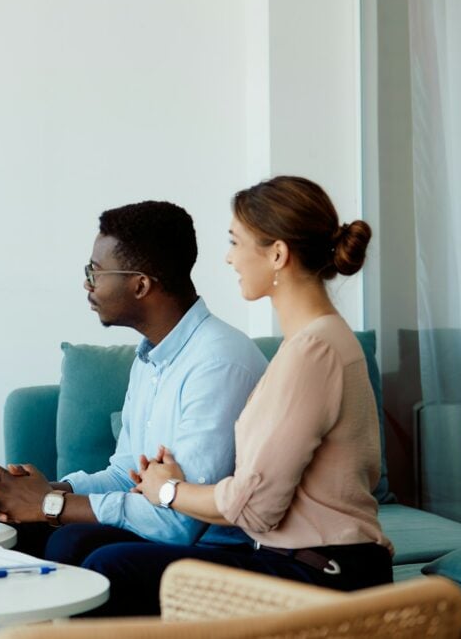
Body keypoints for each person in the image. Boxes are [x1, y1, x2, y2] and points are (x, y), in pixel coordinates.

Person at [83, 176, 393, 616]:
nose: (229, 258)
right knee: (96, 552)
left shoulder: (313, 351)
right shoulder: (312, 343)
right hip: (301, 560)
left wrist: (168, 490)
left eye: (236, 242)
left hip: (322, 572)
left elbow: (256, 508)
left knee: (115, 566)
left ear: (278, 254)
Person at [0, 201, 267, 567]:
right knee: (20, 532)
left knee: (74, 544)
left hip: (215, 549)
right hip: (162, 530)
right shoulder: (150, 357)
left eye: (95, 272)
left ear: (140, 285)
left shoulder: (218, 363)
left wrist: (49, 505)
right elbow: (125, 475)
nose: (87, 283)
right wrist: (45, 491)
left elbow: (179, 521)